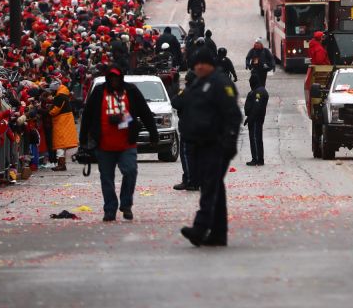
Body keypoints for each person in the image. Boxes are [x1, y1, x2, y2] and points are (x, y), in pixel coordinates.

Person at [177, 50, 242, 247]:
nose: (199, 67)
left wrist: (230, 141)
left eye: (202, 64)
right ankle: (218, 233)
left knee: (209, 187)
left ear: (211, 64)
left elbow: (233, 115)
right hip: (200, 144)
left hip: (217, 144)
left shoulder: (221, 83)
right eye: (196, 64)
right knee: (214, 189)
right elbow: (184, 103)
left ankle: (200, 227)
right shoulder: (198, 82)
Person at [79, 64, 159, 221]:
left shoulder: (131, 90)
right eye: (111, 78)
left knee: (130, 171)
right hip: (104, 145)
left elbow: (144, 112)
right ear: (108, 78)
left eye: (117, 78)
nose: (114, 81)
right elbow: (87, 116)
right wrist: (83, 140)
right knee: (106, 178)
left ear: (121, 78)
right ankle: (110, 209)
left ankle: (126, 203)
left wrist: (153, 133)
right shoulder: (98, 92)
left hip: (126, 143)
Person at [243, 69, 269, 166]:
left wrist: (250, 118)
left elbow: (257, 107)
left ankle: (257, 159)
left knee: (255, 138)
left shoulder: (259, 92)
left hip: (255, 119)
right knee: (256, 138)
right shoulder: (256, 90)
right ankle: (258, 158)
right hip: (254, 118)